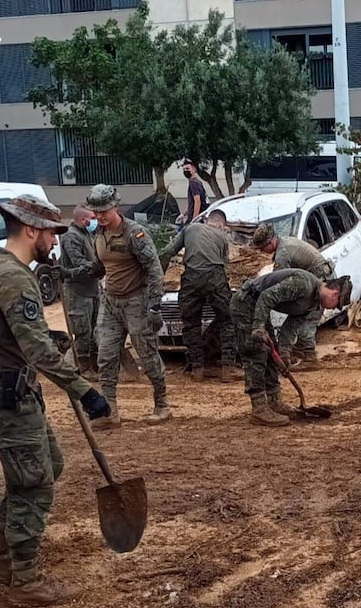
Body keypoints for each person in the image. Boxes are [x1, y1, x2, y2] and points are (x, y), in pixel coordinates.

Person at [0, 194, 110, 607]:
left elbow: (21, 340)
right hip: (8, 396)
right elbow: (37, 352)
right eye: (50, 233)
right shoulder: (13, 277)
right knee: (34, 484)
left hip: (10, 390)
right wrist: (85, 391)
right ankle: (26, 580)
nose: (54, 241)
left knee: (51, 464)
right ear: (31, 231)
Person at [84, 183, 171, 427]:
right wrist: (72, 273)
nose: (100, 216)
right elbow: (101, 267)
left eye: (104, 211)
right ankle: (110, 411)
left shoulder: (135, 233)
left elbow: (154, 270)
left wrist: (154, 306)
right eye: (96, 212)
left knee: (146, 352)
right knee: (106, 355)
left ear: (116, 207)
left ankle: (162, 404)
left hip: (136, 301)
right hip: (110, 301)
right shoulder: (98, 234)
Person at [230, 268, 351, 427]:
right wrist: (259, 326)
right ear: (334, 294)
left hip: (259, 308)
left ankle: (274, 401)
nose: (332, 309)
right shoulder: (303, 285)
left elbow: (290, 327)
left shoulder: (314, 304)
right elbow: (267, 297)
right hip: (245, 304)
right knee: (256, 353)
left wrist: (284, 354)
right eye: (335, 305)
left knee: (271, 353)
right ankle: (259, 409)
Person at [158, 209, 233, 380]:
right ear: (221, 225)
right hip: (215, 277)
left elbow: (166, 252)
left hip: (191, 277)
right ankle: (228, 368)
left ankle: (197, 369)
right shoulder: (222, 238)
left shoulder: (190, 229)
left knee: (191, 323)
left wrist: (159, 278)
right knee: (227, 320)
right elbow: (224, 267)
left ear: (207, 220)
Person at [251, 223, 334, 364]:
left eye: (263, 248)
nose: (263, 252)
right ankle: (297, 352)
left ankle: (309, 356)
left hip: (319, 278)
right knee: (301, 316)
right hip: (322, 276)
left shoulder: (282, 255)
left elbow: (278, 284)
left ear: (270, 242)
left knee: (306, 316)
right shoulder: (285, 241)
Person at [59, 206, 104, 377]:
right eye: (92, 218)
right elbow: (78, 263)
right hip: (78, 291)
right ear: (83, 219)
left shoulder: (86, 234)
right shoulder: (72, 237)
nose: (95, 220)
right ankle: (85, 368)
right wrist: (97, 268)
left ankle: (94, 364)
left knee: (93, 330)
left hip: (91, 290)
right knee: (83, 331)